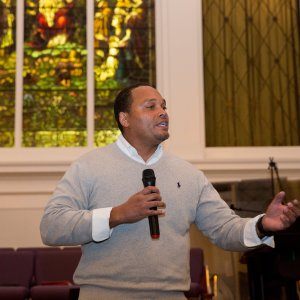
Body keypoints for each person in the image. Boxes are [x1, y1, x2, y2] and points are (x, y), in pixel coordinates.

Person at [40, 83, 300, 299]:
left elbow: (224, 229)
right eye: (150, 106)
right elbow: (52, 226)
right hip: (104, 293)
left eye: (163, 106)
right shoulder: (89, 167)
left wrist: (263, 225)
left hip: (171, 294)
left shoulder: (188, 174)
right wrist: (117, 214)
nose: (163, 112)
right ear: (124, 118)